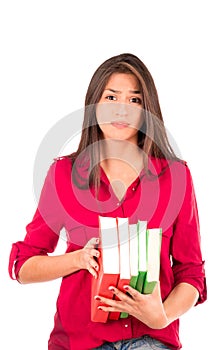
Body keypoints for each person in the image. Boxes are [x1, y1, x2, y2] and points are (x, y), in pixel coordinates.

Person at [8, 53, 207, 350]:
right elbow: (22, 265)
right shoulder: (64, 174)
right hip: (80, 342)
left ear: (147, 110)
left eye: (134, 100)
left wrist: (162, 316)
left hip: (151, 340)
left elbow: (191, 273)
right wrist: (76, 260)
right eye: (111, 97)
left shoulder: (176, 177)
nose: (122, 110)